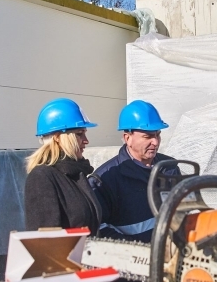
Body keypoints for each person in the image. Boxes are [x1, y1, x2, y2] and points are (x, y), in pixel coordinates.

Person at [90, 100, 174, 244]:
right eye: (148, 136)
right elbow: (98, 228)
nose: (155, 142)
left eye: (157, 135)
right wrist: (138, 250)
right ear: (127, 138)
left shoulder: (170, 168)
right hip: (131, 261)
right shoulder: (106, 179)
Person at [24, 98, 101, 234]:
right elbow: (46, 242)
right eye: (79, 134)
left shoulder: (76, 173)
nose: (86, 141)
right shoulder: (42, 177)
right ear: (58, 137)